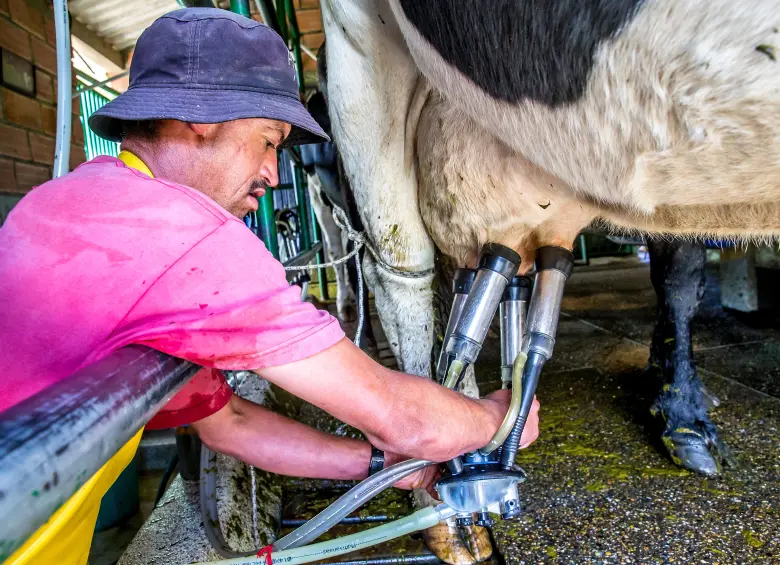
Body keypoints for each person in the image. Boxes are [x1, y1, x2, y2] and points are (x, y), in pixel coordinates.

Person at [0, 6, 538, 542]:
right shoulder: (187, 234)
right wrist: (496, 418)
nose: (272, 173)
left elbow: (229, 424)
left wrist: (385, 465)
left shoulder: (66, 201)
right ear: (204, 116)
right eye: (269, 140)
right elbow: (401, 416)